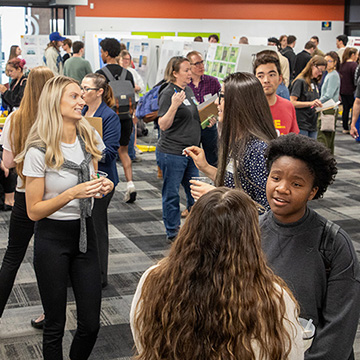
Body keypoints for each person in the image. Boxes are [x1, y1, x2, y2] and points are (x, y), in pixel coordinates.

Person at [130, 187, 303, 360]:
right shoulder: (273, 298)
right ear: (250, 237)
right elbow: (292, 353)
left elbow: (142, 335)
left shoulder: (153, 279)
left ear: (190, 228)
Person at [16, 76, 114, 359]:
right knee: (54, 326)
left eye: (82, 95)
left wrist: (105, 186)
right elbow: (34, 210)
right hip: (51, 240)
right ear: (54, 103)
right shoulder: (39, 149)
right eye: (74, 96)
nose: (82, 100)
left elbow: (94, 179)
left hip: (85, 236)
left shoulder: (89, 137)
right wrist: (72, 194)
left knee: (91, 325)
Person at [261, 133, 360, 360]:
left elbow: (340, 328)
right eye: (276, 178)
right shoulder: (248, 232)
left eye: (296, 184)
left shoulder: (333, 243)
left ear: (313, 191)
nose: (282, 188)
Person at [0, 66, 54, 327]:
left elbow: (7, 163)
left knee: (12, 256)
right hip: (53, 198)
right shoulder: (58, 119)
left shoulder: (15, 118)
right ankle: (49, 313)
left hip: (23, 194)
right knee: (48, 260)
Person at [185, 72, 277, 212]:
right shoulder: (238, 140)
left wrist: (218, 196)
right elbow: (233, 183)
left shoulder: (258, 149)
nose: (216, 102)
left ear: (239, 102)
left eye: (221, 97)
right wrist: (205, 167)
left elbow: (267, 209)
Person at [81, 73, 120, 288]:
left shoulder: (109, 116)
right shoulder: (83, 111)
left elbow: (111, 153)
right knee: (86, 226)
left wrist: (87, 148)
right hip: (85, 178)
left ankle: (100, 276)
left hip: (104, 179)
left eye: (87, 89)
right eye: (82, 88)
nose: (82, 92)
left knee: (97, 228)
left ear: (99, 92)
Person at [157, 56, 201, 241]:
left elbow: (190, 118)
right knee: (172, 194)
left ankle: (196, 230)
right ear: (174, 73)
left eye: (190, 69)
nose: (190, 73)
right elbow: (163, 125)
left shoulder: (188, 91)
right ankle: (173, 232)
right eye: (186, 70)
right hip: (172, 152)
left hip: (191, 151)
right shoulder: (168, 93)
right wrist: (174, 105)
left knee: (196, 194)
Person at [96, 38, 137, 203]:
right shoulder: (128, 74)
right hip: (126, 117)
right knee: (124, 151)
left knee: (107, 152)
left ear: (106, 52)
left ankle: (107, 184)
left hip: (108, 119)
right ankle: (131, 184)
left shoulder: (100, 74)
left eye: (101, 51)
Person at [186, 50, 221, 167]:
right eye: (197, 64)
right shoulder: (185, 84)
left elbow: (220, 102)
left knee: (213, 158)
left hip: (209, 125)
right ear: (189, 66)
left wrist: (216, 117)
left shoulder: (213, 82)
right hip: (190, 127)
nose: (201, 66)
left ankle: (215, 182)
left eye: (202, 62)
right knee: (191, 158)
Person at [254, 54, 299, 136]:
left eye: (271, 75)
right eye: (260, 76)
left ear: (280, 79)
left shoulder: (288, 106)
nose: (266, 80)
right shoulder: (247, 108)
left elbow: (294, 139)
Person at [118, 50, 146, 163]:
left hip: (132, 102)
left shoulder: (132, 72)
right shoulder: (118, 72)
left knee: (131, 128)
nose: (125, 62)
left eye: (127, 59)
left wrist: (133, 87)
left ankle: (131, 153)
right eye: (123, 59)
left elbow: (141, 87)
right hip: (119, 104)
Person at [290, 56, 327, 138]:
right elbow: (292, 102)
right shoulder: (300, 81)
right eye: (319, 70)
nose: (320, 73)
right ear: (312, 66)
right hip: (302, 123)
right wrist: (311, 103)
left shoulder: (314, 82)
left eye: (322, 71)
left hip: (312, 123)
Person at [317, 52, 340, 154]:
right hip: (327, 108)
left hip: (328, 108)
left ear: (335, 62)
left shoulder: (333, 75)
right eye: (325, 61)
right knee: (326, 138)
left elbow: (329, 95)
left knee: (324, 138)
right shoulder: (329, 74)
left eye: (329, 61)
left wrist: (316, 103)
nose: (327, 63)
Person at [339, 47, 358, 133]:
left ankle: (345, 127)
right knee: (354, 109)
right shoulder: (354, 65)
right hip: (352, 90)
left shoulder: (342, 65)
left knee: (345, 109)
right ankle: (352, 126)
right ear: (353, 55)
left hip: (343, 90)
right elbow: (355, 79)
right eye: (357, 55)